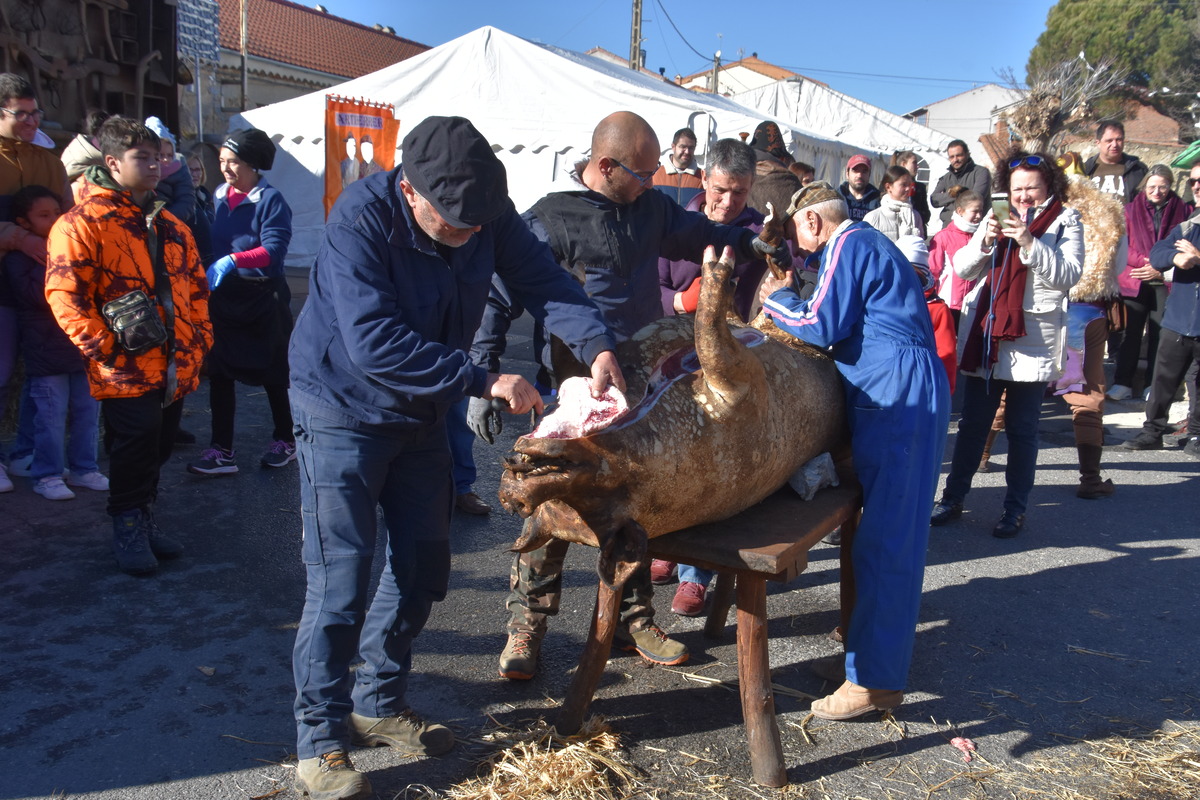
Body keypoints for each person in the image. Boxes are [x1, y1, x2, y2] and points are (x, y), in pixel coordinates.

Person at [286, 114, 626, 800]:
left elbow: (546, 284)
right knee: (341, 578)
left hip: (420, 414)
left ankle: (378, 704)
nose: (474, 236)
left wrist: (596, 344)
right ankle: (319, 739)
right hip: (341, 409)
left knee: (421, 566)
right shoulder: (359, 221)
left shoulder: (485, 212)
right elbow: (373, 344)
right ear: (411, 193)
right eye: (457, 226)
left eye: (480, 224)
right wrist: (483, 378)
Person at [471, 111, 790, 681]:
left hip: (640, 384)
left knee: (639, 502)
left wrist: (751, 242)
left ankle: (633, 619)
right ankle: (527, 625)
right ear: (605, 165)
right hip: (572, 390)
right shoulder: (551, 219)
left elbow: (706, 234)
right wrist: (483, 374)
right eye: (644, 173)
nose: (655, 181)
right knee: (552, 506)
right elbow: (497, 296)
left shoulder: (654, 209)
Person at [758, 181, 949, 720]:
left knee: (889, 541)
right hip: (902, 388)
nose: (804, 248)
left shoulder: (848, 243)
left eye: (801, 235)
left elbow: (819, 322)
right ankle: (863, 659)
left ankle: (875, 682)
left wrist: (778, 299)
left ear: (813, 221)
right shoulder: (871, 243)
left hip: (896, 395)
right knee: (880, 536)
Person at [45, 115, 212, 573]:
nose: (157, 166)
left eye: (159, 157)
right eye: (144, 158)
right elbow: (66, 296)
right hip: (125, 364)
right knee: (134, 442)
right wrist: (106, 349)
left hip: (174, 362)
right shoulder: (81, 223)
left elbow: (195, 286)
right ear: (113, 162)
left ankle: (143, 514)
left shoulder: (170, 223)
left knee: (158, 446)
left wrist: (199, 343)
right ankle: (127, 522)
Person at [930, 150, 1084, 538]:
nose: (1024, 196)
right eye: (1017, 189)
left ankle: (1014, 509)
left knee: (1022, 429)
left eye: (1032, 187)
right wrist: (984, 239)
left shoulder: (1067, 220)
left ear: (1048, 185)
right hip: (987, 339)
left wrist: (1030, 241)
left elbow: (1069, 275)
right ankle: (952, 499)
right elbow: (962, 268)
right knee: (972, 426)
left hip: (1032, 340)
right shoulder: (993, 218)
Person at [654, 138, 765, 615]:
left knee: (711, 464)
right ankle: (664, 545)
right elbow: (648, 287)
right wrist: (683, 302)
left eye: (739, 193)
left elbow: (779, 289)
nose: (727, 201)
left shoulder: (759, 235)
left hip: (727, 367)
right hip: (669, 356)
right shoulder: (673, 224)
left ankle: (696, 573)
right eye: (721, 190)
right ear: (704, 179)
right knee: (667, 456)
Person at [187, 128, 296, 475]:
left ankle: (286, 439)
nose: (226, 169)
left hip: (263, 295)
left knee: (273, 372)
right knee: (219, 371)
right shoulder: (219, 196)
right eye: (222, 162)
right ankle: (221, 450)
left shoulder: (271, 200)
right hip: (226, 297)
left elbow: (273, 249)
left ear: (253, 164)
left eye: (234, 162)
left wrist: (234, 260)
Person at [5, 186, 107, 500]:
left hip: (82, 348)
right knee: (49, 417)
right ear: (23, 223)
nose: (54, 220)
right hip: (46, 352)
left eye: (56, 213)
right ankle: (47, 475)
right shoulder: (18, 260)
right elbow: (40, 295)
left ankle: (83, 468)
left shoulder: (75, 246)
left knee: (87, 413)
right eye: (44, 216)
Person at [0, 73, 73, 492]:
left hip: (40, 280)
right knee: (1, 368)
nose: (31, 121)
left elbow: (66, 214)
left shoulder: (48, 159)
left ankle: (25, 453)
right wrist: (18, 238)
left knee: (38, 371)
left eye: (35, 113)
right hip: (3, 280)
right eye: (20, 114)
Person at [1052, 153, 1125, 498]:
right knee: (1087, 395)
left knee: (1012, 390)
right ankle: (1090, 480)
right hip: (1086, 310)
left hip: (1042, 306)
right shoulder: (1109, 214)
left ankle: (982, 459)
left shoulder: (1045, 206)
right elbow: (1119, 264)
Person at [1122, 166, 1200, 459]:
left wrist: (1198, 258)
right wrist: (1177, 257)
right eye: (1193, 181)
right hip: (1178, 320)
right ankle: (1152, 431)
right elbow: (1159, 251)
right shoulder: (1191, 223)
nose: (1196, 185)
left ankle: (1197, 434)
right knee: (1162, 380)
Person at [1109, 164, 1193, 401]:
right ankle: (1122, 382)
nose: (1157, 191)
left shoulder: (1183, 211)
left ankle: (1152, 385)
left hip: (1165, 279)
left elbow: (1182, 242)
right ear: (1144, 186)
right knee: (1130, 334)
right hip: (1135, 276)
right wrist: (1149, 262)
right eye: (1152, 186)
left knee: (1159, 334)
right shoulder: (1128, 210)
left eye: (1162, 187)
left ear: (1170, 187)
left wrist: (1161, 266)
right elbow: (1123, 244)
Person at [928, 189, 984, 328]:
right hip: (948, 301)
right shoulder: (943, 236)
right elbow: (933, 270)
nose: (978, 216)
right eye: (974, 211)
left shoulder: (981, 236)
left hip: (973, 302)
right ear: (960, 211)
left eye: (981, 211)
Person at [930, 140, 991, 228]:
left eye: (959, 155)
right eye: (951, 157)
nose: (955, 160)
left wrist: (946, 198)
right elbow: (934, 200)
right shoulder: (946, 178)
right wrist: (956, 193)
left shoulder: (981, 173)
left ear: (967, 154)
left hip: (973, 228)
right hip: (948, 226)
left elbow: (976, 198)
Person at [1084, 120, 1148, 204]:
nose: (1114, 145)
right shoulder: (1086, 170)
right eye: (1109, 141)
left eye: (1119, 140)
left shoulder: (1137, 169)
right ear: (1098, 143)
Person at [863, 165, 924, 241]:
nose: (908, 189)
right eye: (903, 185)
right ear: (888, 187)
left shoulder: (915, 216)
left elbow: (920, 246)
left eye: (909, 185)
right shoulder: (873, 218)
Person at [652, 127, 704, 206]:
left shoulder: (703, 177)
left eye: (691, 148)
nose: (687, 151)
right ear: (673, 147)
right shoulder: (656, 175)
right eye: (683, 147)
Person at [892, 150, 930, 227]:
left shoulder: (920, 187)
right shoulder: (891, 185)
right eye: (914, 163)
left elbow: (926, 214)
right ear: (903, 164)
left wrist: (915, 214)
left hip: (917, 230)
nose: (917, 166)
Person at [837, 154, 880, 222]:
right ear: (847, 174)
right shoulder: (837, 197)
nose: (859, 175)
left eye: (864, 171)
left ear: (869, 175)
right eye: (855, 170)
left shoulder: (878, 199)